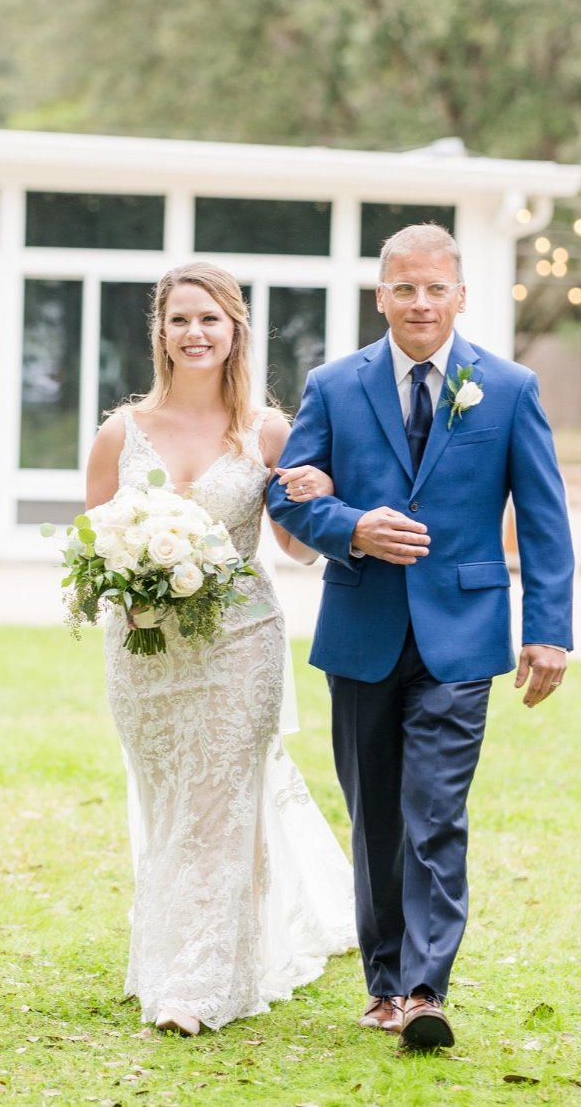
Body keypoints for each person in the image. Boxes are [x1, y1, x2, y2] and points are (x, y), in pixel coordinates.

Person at [267, 223, 574, 1051]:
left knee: (435, 810)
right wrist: (352, 526)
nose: (419, 302)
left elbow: (543, 519)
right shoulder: (333, 385)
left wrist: (547, 630)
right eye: (403, 288)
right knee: (374, 815)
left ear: (460, 295)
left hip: (463, 633)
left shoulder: (506, 388)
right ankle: (381, 981)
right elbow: (289, 495)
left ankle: (423, 990)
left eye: (434, 287)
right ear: (381, 296)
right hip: (361, 626)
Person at [84, 262, 357, 1038]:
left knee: (223, 802)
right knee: (169, 802)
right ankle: (172, 946)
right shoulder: (120, 431)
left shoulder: (268, 431)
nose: (194, 332)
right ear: (160, 333)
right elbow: (93, 545)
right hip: (145, 651)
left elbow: (296, 553)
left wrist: (309, 498)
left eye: (209, 318)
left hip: (240, 640)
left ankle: (200, 982)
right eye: (179, 320)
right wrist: (129, 580)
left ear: (234, 328)